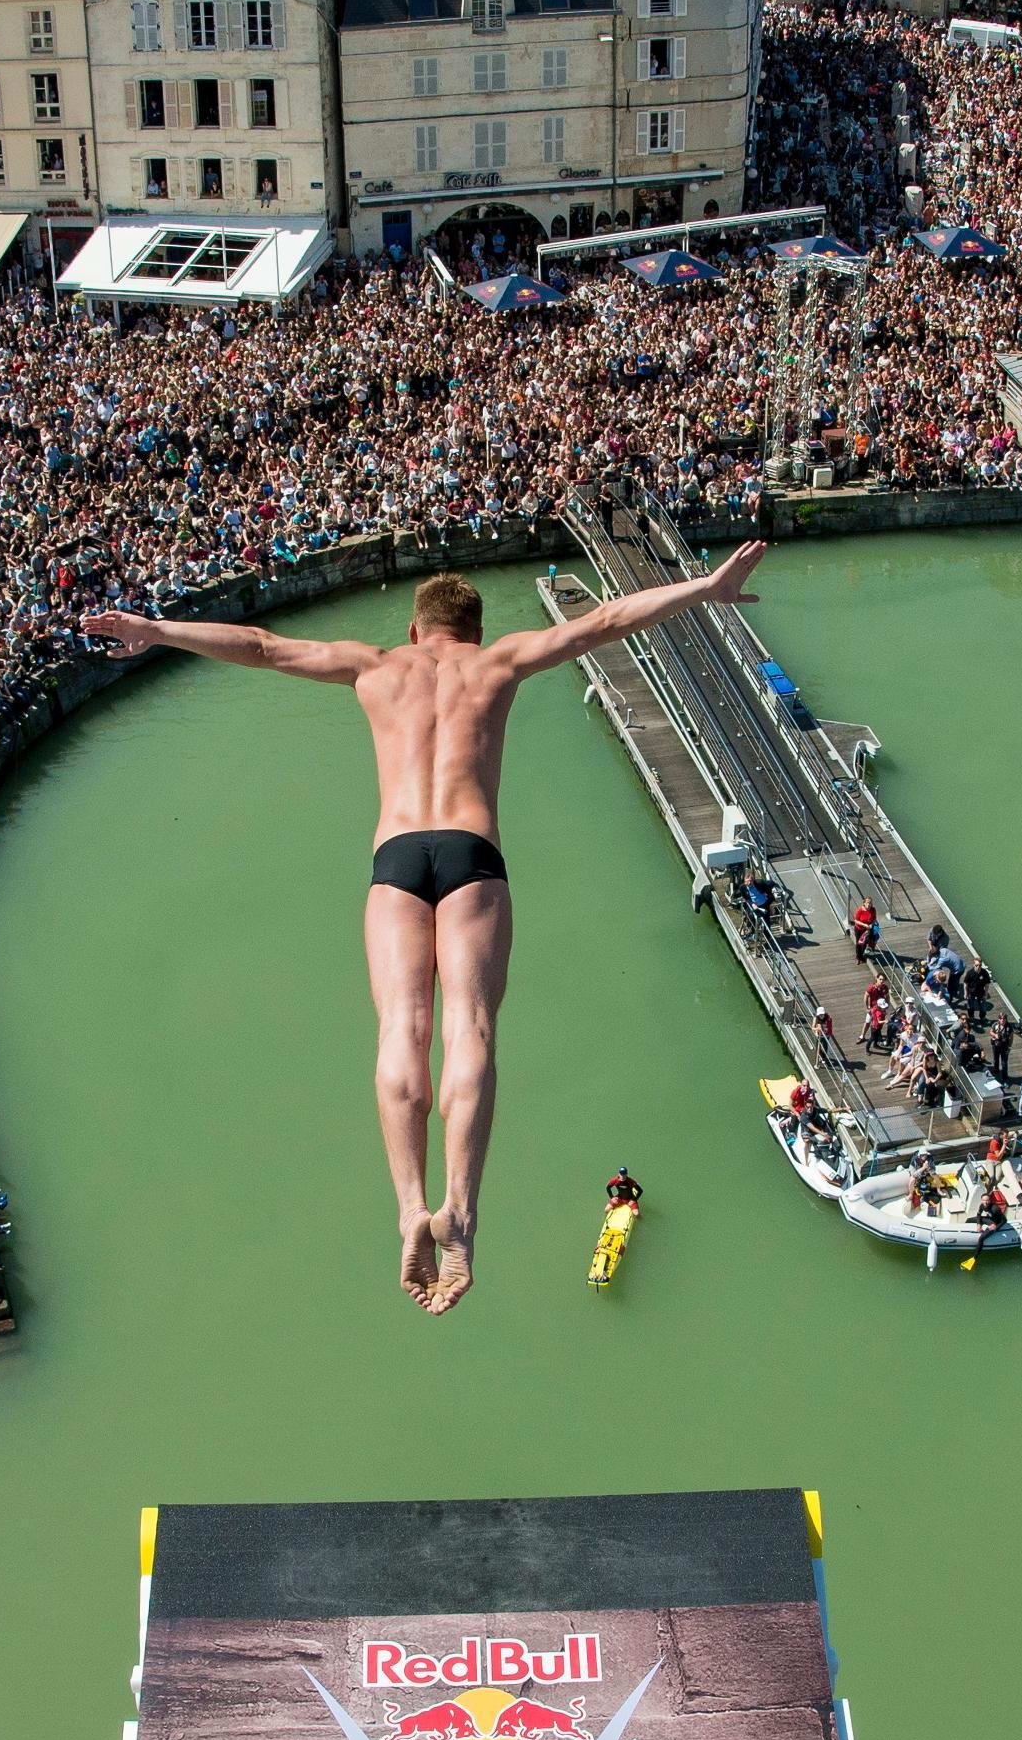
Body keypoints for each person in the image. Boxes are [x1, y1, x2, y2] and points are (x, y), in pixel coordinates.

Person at [83, 546, 768, 1311]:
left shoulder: (375, 665)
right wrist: (705, 587)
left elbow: (263, 646)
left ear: (415, 630)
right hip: (473, 853)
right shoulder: (500, 662)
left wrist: (157, 628)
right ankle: (461, 1218)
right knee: (468, 1028)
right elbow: (604, 621)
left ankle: (411, 1208)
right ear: (475, 631)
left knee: (400, 1030)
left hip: (397, 856)